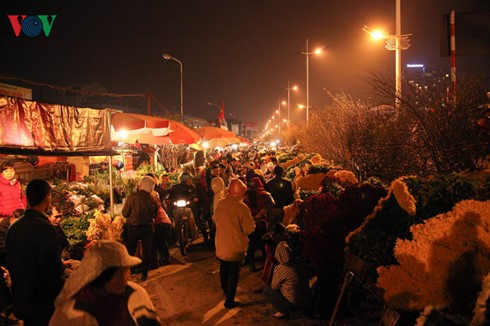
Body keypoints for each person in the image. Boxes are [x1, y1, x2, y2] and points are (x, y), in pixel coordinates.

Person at [50, 240, 160, 325]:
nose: (126, 277)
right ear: (101, 276)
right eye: (120, 272)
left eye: (127, 269)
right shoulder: (71, 311)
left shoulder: (135, 293)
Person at [6, 179, 64, 325]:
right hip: (42, 301)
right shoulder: (46, 228)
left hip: (22, 298)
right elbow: (53, 269)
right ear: (47, 198)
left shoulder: (13, 228)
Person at [213, 179, 255, 309]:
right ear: (239, 193)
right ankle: (229, 300)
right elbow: (249, 229)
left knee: (224, 268)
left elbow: (215, 219)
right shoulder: (242, 208)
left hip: (221, 243)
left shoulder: (220, 203)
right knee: (233, 273)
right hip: (235, 245)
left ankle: (226, 292)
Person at [263, 240, 313, 319]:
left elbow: (274, 287)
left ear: (278, 254)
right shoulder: (300, 262)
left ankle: (283, 311)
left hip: (293, 302)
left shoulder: (280, 269)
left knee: (267, 290)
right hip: (306, 298)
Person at [122, 176, 158, 281]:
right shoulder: (153, 199)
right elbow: (155, 214)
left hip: (133, 228)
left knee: (130, 251)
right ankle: (144, 275)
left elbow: (125, 213)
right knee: (146, 251)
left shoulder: (133, 198)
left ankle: (128, 273)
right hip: (148, 228)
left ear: (141, 185)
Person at [243, 177, 275, 272]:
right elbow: (272, 203)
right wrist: (261, 212)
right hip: (262, 223)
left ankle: (252, 266)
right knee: (263, 244)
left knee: (251, 246)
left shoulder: (246, 197)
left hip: (251, 224)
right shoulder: (266, 195)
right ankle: (266, 265)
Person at [265, 165, 295, 230]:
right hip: (284, 209)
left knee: (271, 228)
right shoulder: (288, 183)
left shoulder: (269, 183)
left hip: (273, 208)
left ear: (274, 172)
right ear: (282, 172)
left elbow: (266, 197)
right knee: (283, 228)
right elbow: (291, 196)